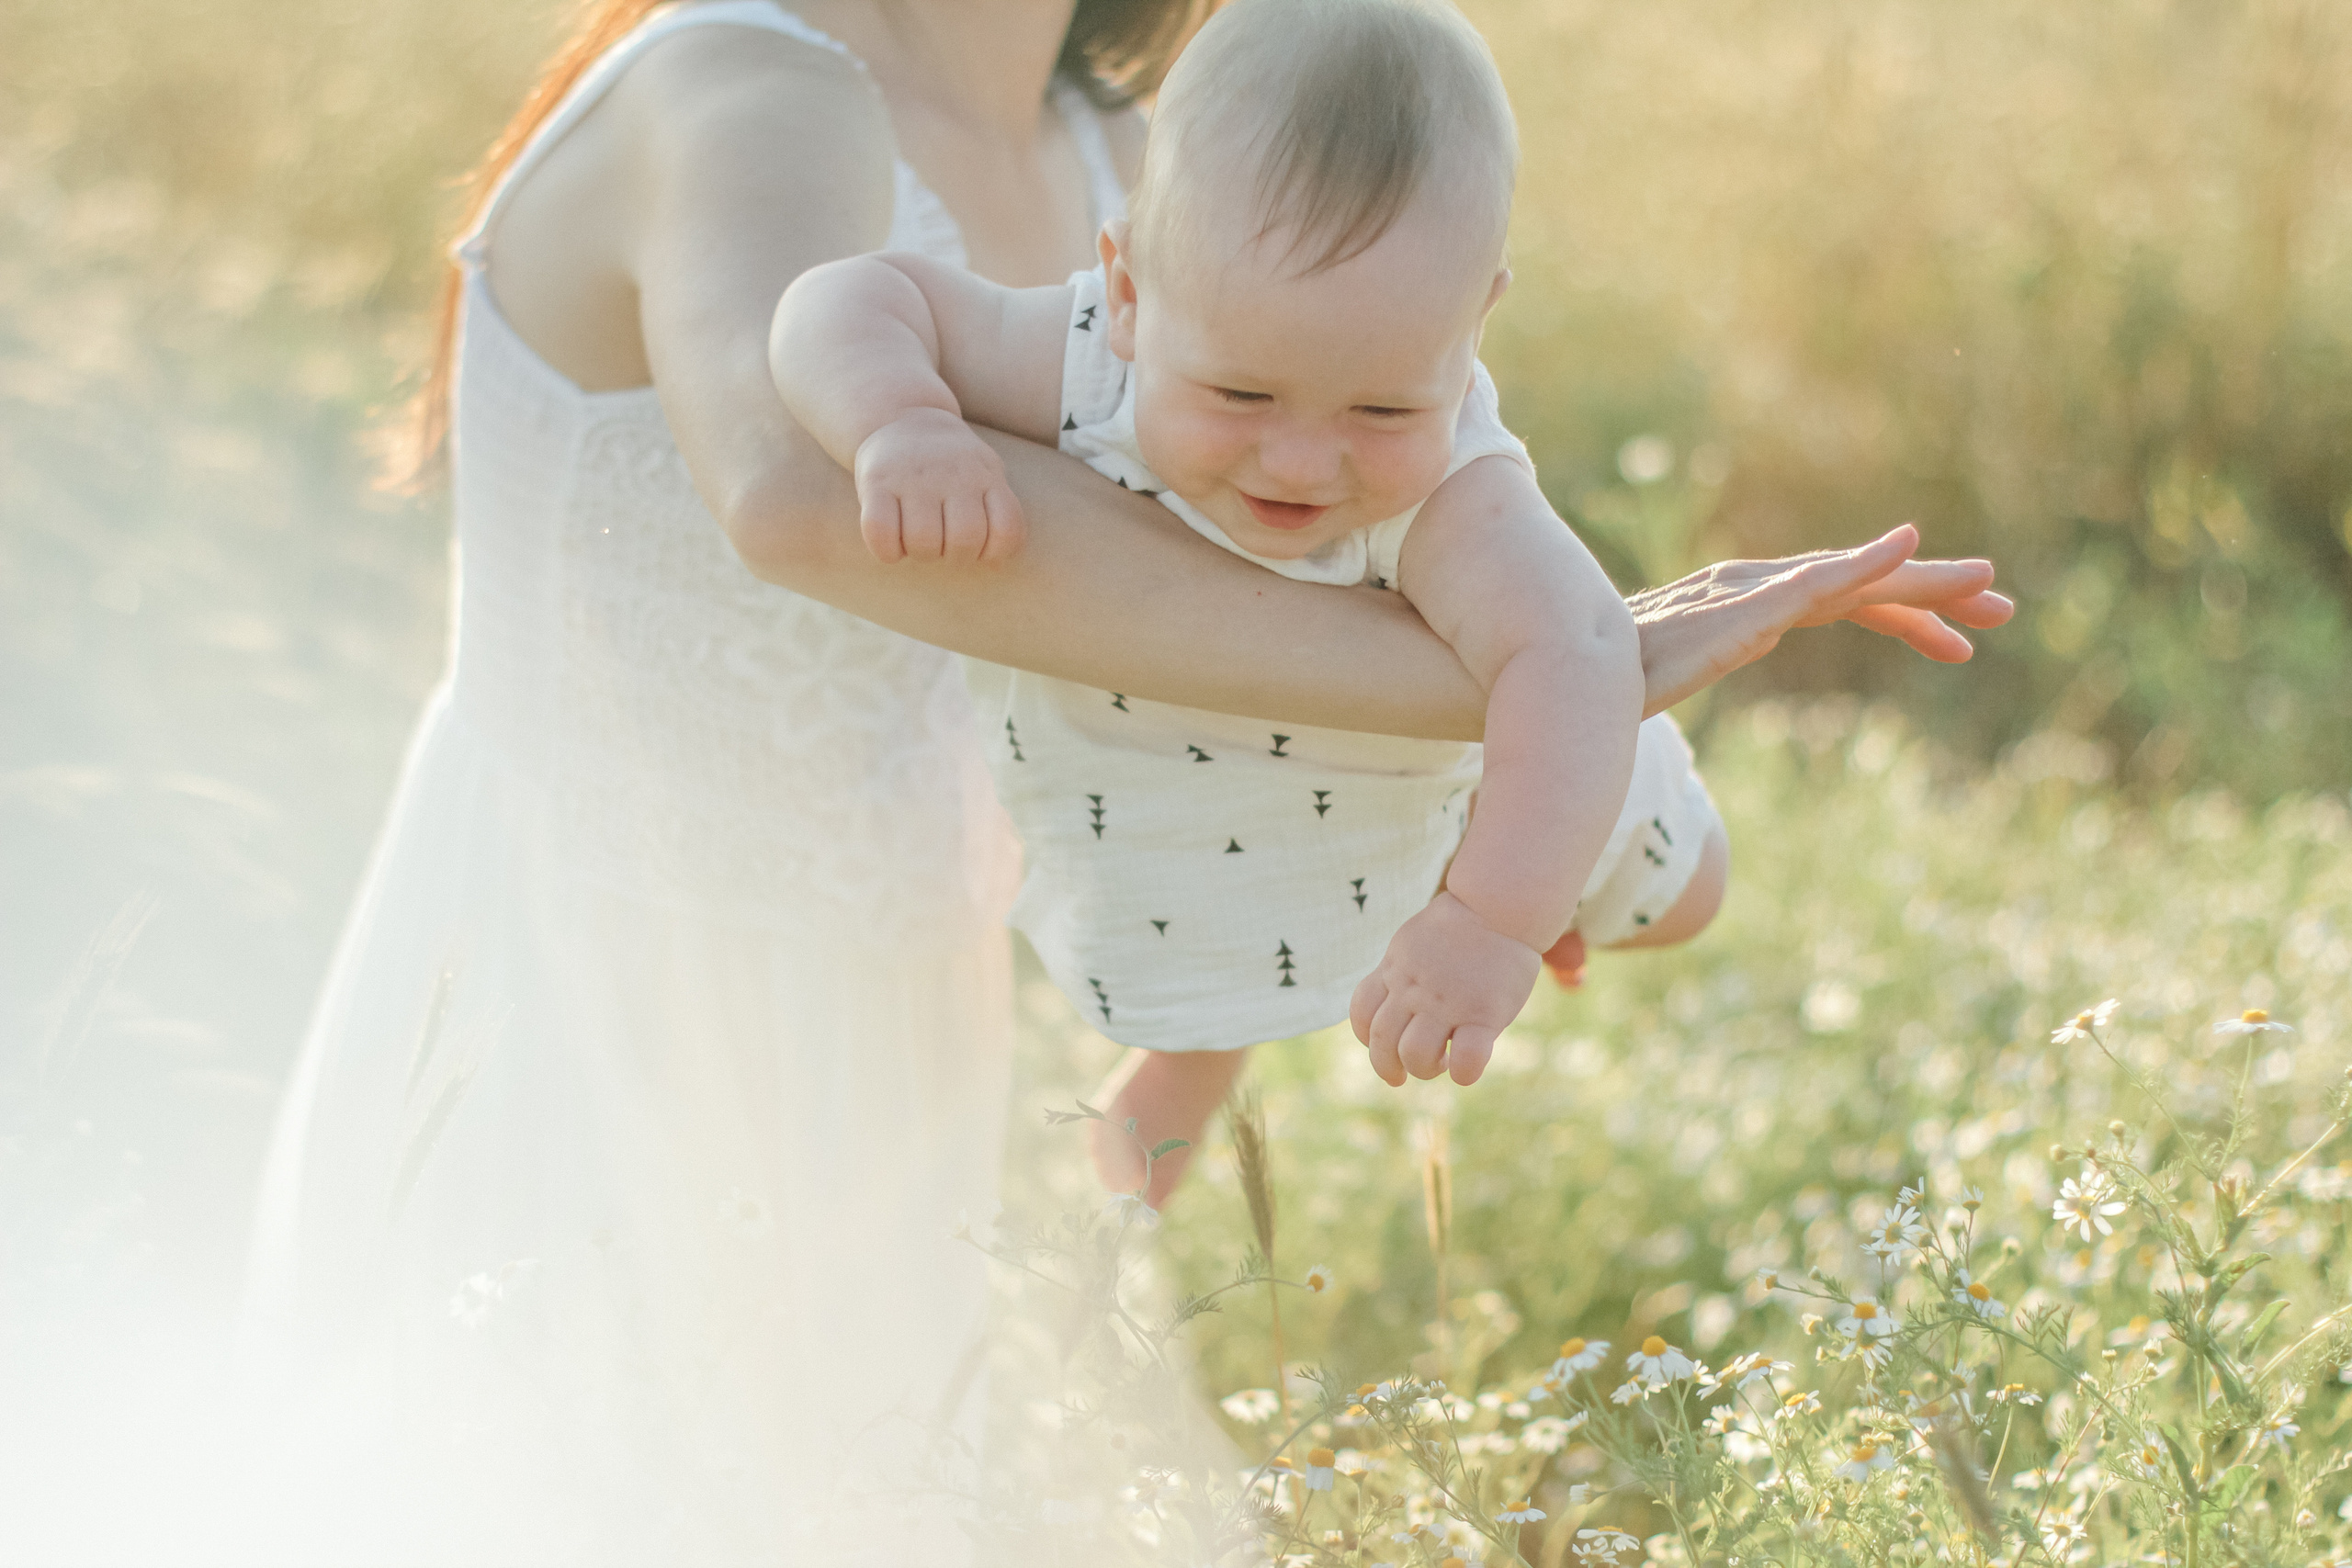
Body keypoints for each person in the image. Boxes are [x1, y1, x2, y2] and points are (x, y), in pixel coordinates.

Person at [235, 0, 2009, 1561]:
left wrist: (1494, 781)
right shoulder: (744, 81)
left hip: (912, 1023)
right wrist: (1520, 684)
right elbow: (789, 483)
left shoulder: (1134, 145)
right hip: (592, 989)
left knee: (878, 1495)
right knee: (562, 1496)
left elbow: (1313, 550)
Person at [770, 0, 1725, 1201]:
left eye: (1382, 411)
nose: (1301, 465)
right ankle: (1193, 1067)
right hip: (1224, 776)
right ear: (1127, 289)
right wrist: (898, 422)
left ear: (1472, 325)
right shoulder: (1088, 355)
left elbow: (1583, 652)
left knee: (1688, 897)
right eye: (1239, 395)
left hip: (1511, 770)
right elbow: (843, 300)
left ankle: (1555, 873)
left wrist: (1493, 917)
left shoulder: (1461, 497)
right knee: (1211, 874)